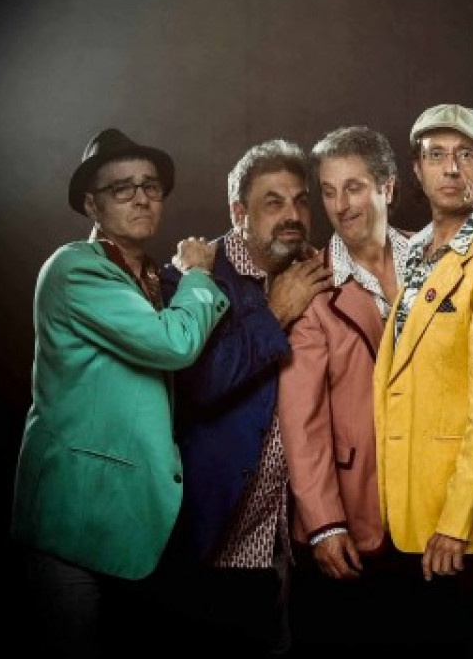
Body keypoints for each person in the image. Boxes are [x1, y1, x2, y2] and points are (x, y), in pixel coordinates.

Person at [11, 128, 229, 658]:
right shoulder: (75, 268)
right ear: (92, 204)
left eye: (150, 186)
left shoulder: (149, 276)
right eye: (122, 188)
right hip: (74, 520)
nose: (141, 197)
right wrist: (198, 276)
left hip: (132, 520)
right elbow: (173, 344)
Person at [371, 103, 473, 654]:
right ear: (416, 170)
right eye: (436, 155)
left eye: (466, 155)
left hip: (468, 531)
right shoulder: (417, 252)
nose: (450, 168)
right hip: (414, 514)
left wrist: (457, 521)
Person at [158, 139, 333, 655]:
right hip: (211, 543)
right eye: (273, 202)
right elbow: (201, 383)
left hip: (290, 544)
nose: (292, 215)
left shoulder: (316, 271)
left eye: (300, 201)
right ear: (239, 213)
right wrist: (275, 312)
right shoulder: (189, 278)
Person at [276, 126, 411, 650]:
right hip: (353, 509)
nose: (340, 206)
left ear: (387, 188)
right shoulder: (311, 285)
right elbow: (301, 420)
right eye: (329, 192)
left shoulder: (437, 262)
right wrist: (325, 524)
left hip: (429, 506)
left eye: (353, 188)